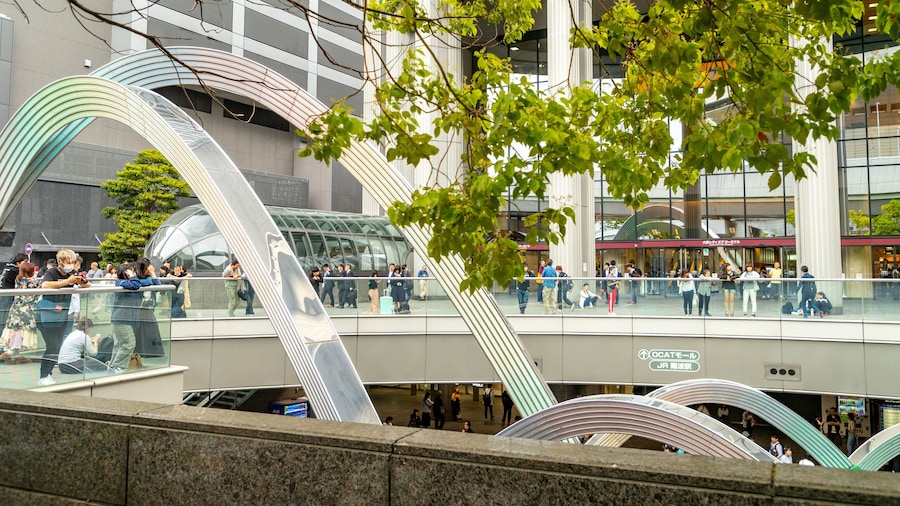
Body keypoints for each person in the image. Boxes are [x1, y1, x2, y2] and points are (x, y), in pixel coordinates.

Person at [36, 249, 90, 386]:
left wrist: (82, 280)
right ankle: (44, 375)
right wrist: (67, 281)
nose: (71, 265)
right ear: (60, 261)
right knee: (52, 345)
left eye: (73, 262)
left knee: (57, 345)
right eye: (68, 262)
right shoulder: (51, 272)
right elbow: (46, 285)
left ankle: (48, 374)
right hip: (46, 314)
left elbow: (88, 285)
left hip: (63, 314)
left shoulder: (72, 273)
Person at [109, 263, 154, 373]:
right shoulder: (121, 282)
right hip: (121, 319)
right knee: (128, 344)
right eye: (131, 271)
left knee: (120, 344)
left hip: (125, 320)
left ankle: (112, 366)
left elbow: (151, 282)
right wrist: (132, 276)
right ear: (126, 273)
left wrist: (152, 274)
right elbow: (135, 285)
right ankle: (117, 366)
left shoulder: (134, 282)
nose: (134, 274)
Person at [0, 261, 39, 364]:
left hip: (16, 308)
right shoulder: (32, 282)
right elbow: (39, 291)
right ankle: (9, 353)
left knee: (16, 331)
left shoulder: (18, 280)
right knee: (23, 332)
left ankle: (16, 356)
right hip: (26, 309)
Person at [133, 258, 163, 358]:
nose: (148, 270)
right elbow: (135, 285)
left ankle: (151, 353)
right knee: (138, 332)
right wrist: (148, 281)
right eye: (146, 268)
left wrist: (153, 274)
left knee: (151, 330)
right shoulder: (135, 278)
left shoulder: (150, 277)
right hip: (137, 309)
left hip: (148, 309)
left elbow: (159, 287)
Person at [0, 252, 28, 333]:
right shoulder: (15, 270)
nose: (26, 264)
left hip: (3, 293)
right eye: (25, 262)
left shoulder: (8, 268)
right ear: (18, 263)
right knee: (5, 318)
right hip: (8, 296)